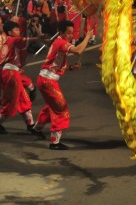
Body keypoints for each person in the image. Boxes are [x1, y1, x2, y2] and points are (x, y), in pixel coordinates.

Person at [32, 20, 93, 150]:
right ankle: (54, 142)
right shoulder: (61, 42)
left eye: (72, 33)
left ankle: (37, 128)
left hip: (45, 79)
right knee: (61, 109)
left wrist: (71, 67)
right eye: (69, 33)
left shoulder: (59, 42)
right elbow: (78, 51)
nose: (71, 36)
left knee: (52, 106)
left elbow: (57, 64)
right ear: (61, 33)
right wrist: (87, 36)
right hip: (48, 81)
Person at [0, 19, 44, 136]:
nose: (18, 31)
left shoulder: (7, 41)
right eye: (16, 29)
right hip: (10, 73)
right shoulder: (12, 39)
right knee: (12, 101)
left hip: (12, 72)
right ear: (10, 32)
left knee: (23, 99)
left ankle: (30, 126)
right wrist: (39, 38)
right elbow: (26, 40)